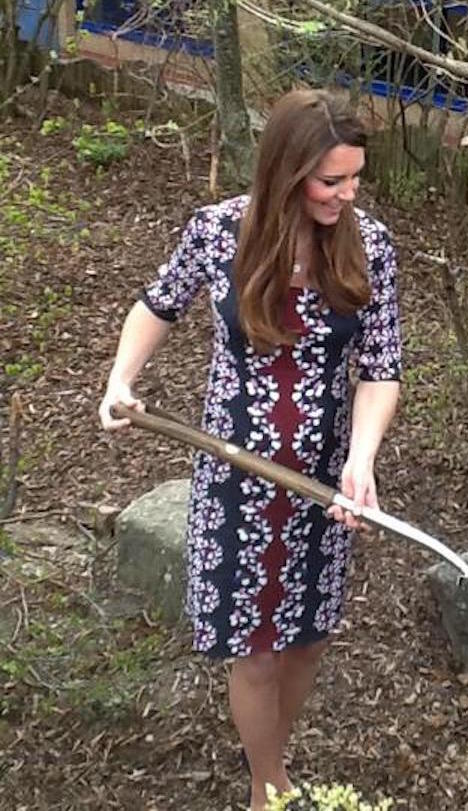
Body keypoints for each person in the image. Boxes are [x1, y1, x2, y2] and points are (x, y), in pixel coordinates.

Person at [98, 89, 401, 810]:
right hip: (237, 477)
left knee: (307, 637)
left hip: (327, 479)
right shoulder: (217, 231)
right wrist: (120, 378)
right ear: (287, 171)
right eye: (332, 180)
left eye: (355, 178)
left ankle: (273, 756)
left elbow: (381, 369)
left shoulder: (371, 245)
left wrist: (361, 461)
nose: (347, 193)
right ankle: (270, 784)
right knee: (256, 644)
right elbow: (157, 302)